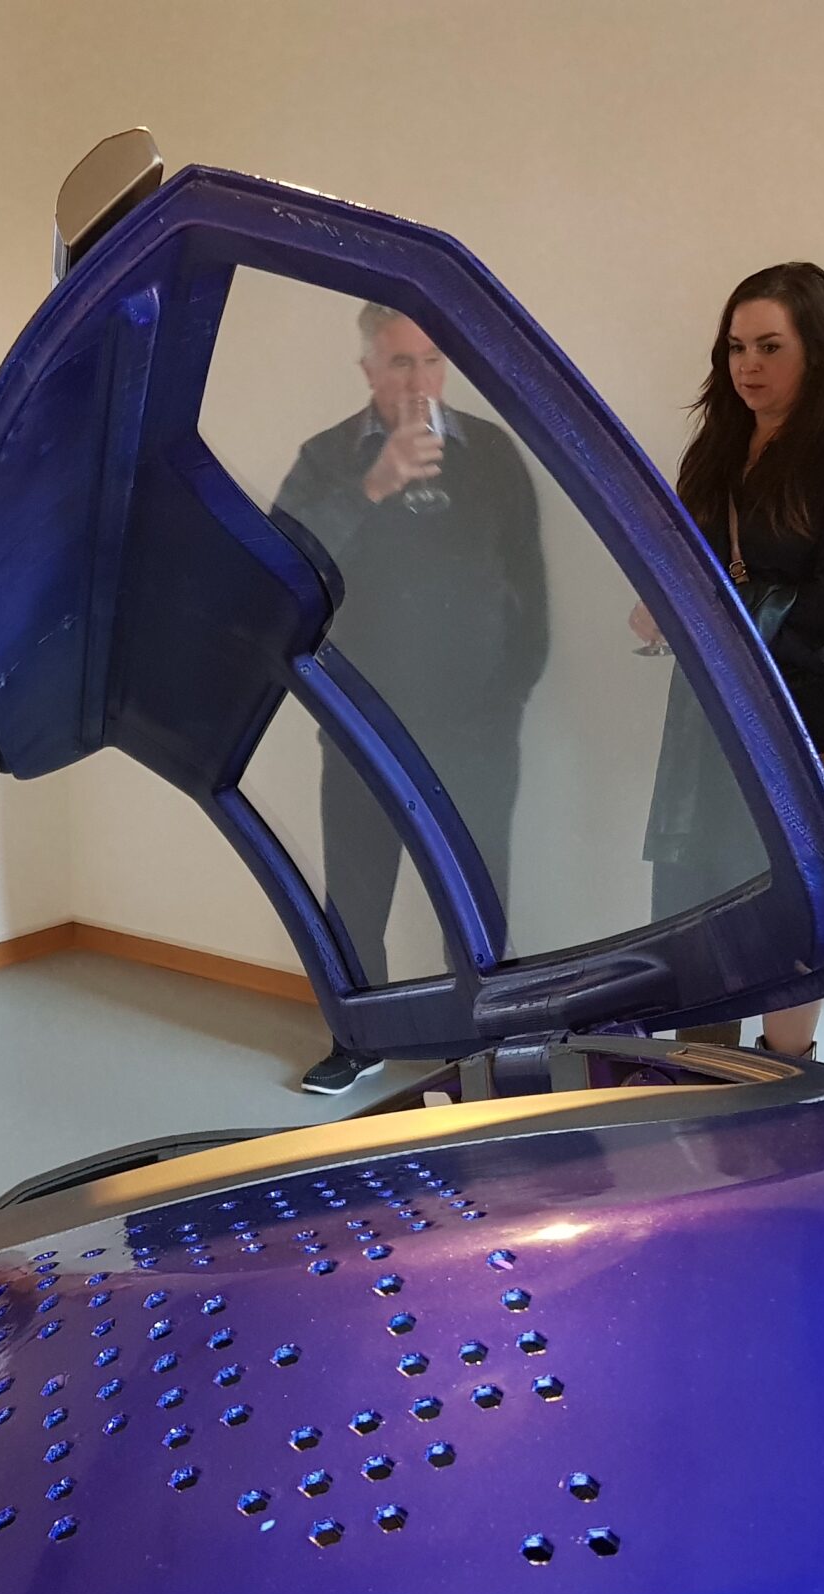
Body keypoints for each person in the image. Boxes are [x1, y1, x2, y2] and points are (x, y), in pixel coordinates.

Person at [272, 304, 548, 1094]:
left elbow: (528, 583)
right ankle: (359, 1039)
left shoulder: (491, 453)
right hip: (363, 723)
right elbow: (281, 571)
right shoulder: (327, 458)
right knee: (357, 890)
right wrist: (373, 485)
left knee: (477, 888)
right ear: (368, 371)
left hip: (475, 722)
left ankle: (485, 1037)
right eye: (400, 363)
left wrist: (511, 693)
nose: (420, 381)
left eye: (431, 360)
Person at [638, 262, 824, 1059]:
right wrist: (660, 606)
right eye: (735, 347)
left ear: (816, 350)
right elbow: (678, 562)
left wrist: (713, 626)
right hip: (709, 711)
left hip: (802, 713)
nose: (747, 366)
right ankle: (699, 1071)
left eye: (770, 346)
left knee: (795, 901)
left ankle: (785, 1078)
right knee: (698, 897)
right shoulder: (715, 449)